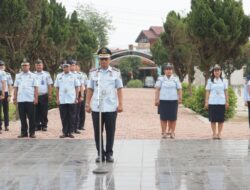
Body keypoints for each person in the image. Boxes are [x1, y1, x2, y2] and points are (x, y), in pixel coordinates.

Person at [86, 47, 123, 163]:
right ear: (99, 60)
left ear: (110, 59)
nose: (103, 61)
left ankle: (109, 154)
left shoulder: (116, 73)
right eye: (101, 59)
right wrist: (87, 103)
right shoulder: (93, 73)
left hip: (111, 106)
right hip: (97, 107)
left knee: (110, 131)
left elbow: (119, 89)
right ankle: (100, 153)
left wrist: (120, 104)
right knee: (98, 132)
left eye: (106, 59)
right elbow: (90, 89)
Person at [155, 63, 182, 139]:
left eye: (170, 69)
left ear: (172, 70)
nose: (168, 71)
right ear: (164, 71)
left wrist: (180, 98)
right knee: (163, 117)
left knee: (173, 117)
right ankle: (164, 132)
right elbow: (157, 89)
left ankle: (172, 132)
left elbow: (179, 89)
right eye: (167, 69)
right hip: (163, 100)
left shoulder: (176, 79)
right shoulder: (160, 79)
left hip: (173, 101)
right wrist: (156, 99)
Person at [13, 60, 38, 138]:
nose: (25, 67)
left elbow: (36, 87)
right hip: (21, 99)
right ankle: (23, 132)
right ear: (22, 67)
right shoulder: (18, 76)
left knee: (31, 117)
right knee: (22, 117)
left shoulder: (33, 75)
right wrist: (14, 97)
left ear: (29, 66)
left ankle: (32, 133)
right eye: (23, 65)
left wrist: (36, 98)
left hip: (30, 99)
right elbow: (16, 87)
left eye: (26, 65)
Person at [54, 62, 80, 138]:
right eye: (64, 67)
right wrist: (57, 99)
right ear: (63, 68)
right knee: (64, 116)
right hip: (62, 99)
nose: (66, 68)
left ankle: (71, 131)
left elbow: (77, 87)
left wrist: (76, 97)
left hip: (71, 99)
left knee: (72, 116)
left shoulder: (74, 76)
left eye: (67, 67)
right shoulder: (59, 76)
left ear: (70, 67)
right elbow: (57, 88)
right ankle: (65, 132)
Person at [205, 64, 229, 140]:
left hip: (221, 102)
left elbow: (226, 92)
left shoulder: (224, 80)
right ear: (213, 72)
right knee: (213, 119)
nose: (217, 72)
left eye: (218, 70)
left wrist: (227, 102)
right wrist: (206, 101)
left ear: (220, 71)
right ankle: (214, 133)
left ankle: (219, 133)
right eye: (215, 70)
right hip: (212, 102)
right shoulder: (210, 81)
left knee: (221, 119)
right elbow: (207, 92)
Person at [34, 59, 53, 131]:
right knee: (35, 111)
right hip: (35, 96)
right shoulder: (32, 74)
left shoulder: (46, 74)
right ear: (35, 66)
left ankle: (44, 125)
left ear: (42, 66)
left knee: (44, 111)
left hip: (44, 95)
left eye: (40, 65)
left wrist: (50, 94)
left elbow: (49, 85)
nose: (38, 66)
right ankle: (36, 125)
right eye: (37, 65)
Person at [68, 59, 84, 134]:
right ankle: (68, 127)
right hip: (68, 95)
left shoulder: (79, 75)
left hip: (77, 95)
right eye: (71, 65)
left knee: (76, 113)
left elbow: (81, 86)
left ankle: (75, 128)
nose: (72, 67)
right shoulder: (65, 74)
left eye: (73, 65)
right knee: (68, 113)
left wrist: (82, 96)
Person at [76, 64, 88, 130]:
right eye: (75, 66)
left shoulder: (83, 75)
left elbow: (86, 84)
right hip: (75, 92)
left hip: (82, 93)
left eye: (77, 66)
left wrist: (85, 93)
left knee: (82, 110)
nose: (76, 67)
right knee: (76, 110)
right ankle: (76, 125)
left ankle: (81, 125)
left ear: (79, 67)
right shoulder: (72, 74)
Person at [0, 61, 9, 132]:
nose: (1, 66)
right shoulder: (2, 73)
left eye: (2, 65)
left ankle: (6, 125)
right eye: (0, 65)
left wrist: (8, 95)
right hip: (2, 92)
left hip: (5, 92)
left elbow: (8, 84)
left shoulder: (6, 74)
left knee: (5, 110)